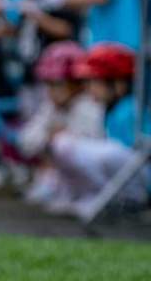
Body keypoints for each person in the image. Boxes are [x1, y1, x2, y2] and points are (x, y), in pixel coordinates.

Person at [50, 43, 149, 218]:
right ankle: (94, 197)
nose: (89, 88)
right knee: (64, 142)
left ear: (118, 83)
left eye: (96, 81)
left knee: (107, 151)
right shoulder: (108, 110)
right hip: (126, 178)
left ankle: (126, 200)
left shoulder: (132, 108)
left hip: (143, 181)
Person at [18, 41, 104, 206]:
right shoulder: (51, 107)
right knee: (53, 142)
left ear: (76, 82)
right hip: (71, 183)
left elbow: (94, 145)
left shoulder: (89, 105)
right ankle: (63, 192)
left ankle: (92, 196)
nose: (51, 90)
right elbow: (25, 142)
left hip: (101, 182)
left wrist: (64, 133)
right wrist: (47, 135)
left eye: (57, 83)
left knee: (63, 143)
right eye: (48, 83)